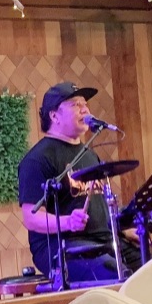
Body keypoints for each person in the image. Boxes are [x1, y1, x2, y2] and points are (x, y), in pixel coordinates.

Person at [17, 82, 120, 285]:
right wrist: (67, 222)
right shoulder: (38, 159)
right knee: (114, 274)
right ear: (54, 116)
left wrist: (125, 227)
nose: (85, 109)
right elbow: (31, 218)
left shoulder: (90, 155)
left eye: (85, 104)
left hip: (103, 241)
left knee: (150, 266)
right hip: (63, 246)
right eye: (75, 104)